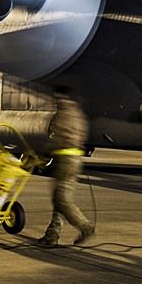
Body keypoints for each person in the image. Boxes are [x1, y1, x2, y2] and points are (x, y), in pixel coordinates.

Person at [37, 91, 96, 247]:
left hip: (65, 160)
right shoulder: (78, 113)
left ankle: (85, 226)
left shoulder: (64, 113)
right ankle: (52, 234)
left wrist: (43, 153)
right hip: (73, 159)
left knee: (62, 200)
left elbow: (58, 138)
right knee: (59, 199)